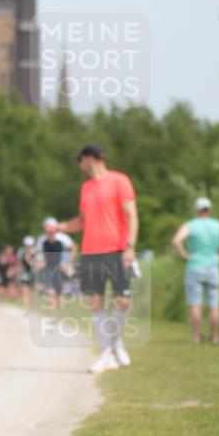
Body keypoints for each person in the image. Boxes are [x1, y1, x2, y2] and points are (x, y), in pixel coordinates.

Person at [57, 143, 138, 374]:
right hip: (91, 251)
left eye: (80, 160)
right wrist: (61, 227)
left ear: (90, 159)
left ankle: (116, 342)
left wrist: (130, 247)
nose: (79, 165)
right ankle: (106, 353)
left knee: (123, 301)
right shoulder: (86, 187)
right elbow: (82, 221)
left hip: (116, 249)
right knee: (96, 302)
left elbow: (132, 215)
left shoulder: (120, 181)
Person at [171, 197, 219, 345]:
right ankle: (215, 337)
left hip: (195, 266)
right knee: (214, 304)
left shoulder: (191, 225)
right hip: (213, 266)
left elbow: (176, 240)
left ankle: (195, 336)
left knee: (195, 303)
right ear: (209, 210)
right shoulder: (218, 225)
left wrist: (183, 254)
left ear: (196, 210)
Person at [35, 218, 75, 323]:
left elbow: (73, 248)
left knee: (59, 296)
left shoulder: (63, 238)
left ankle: (57, 313)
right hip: (49, 268)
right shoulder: (41, 239)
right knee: (50, 292)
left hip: (61, 268)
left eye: (51, 228)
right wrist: (39, 262)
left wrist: (68, 262)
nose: (49, 230)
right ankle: (52, 316)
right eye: (47, 228)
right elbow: (38, 252)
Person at [17, 236, 36, 312]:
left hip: (33, 273)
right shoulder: (21, 251)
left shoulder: (35, 251)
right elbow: (18, 262)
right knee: (25, 291)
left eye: (29, 245)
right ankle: (26, 307)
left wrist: (30, 259)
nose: (28, 247)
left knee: (31, 291)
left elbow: (36, 263)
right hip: (24, 273)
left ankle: (30, 306)